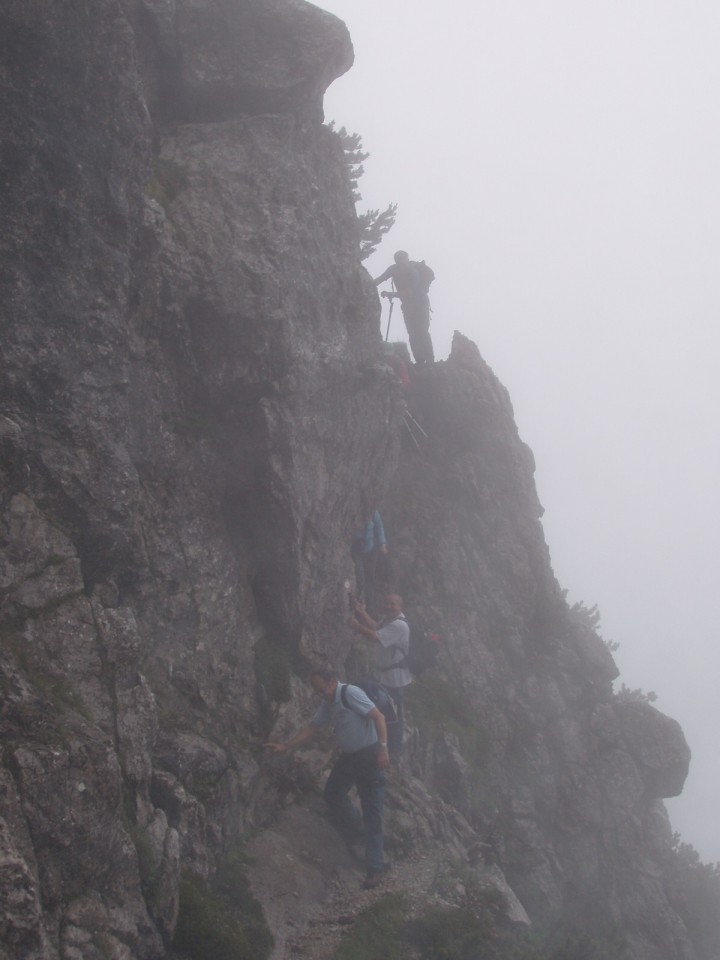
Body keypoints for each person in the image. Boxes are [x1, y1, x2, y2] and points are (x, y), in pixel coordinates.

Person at [264, 665, 389, 889]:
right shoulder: (328, 702)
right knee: (333, 792)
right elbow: (313, 727)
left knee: (373, 810)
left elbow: (378, 717)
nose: (320, 694)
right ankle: (359, 830)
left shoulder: (350, 693)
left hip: (369, 756)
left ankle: (375, 868)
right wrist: (287, 746)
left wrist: (383, 749)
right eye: (316, 690)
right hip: (350, 757)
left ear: (332, 682)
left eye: (321, 689)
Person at [348, 593, 411, 760]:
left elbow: (375, 637)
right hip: (382, 674)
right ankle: (375, 739)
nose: (389, 607)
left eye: (393, 604)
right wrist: (361, 613)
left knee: (395, 713)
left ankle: (394, 750)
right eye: (387, 603)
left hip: (394, 678)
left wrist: (355, 626)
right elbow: (376, 627)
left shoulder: (399, 626)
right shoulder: (389, 620)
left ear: (400, 606)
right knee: (379, 705)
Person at [375, 250, 435, 366]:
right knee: (413, 333)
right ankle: (420, 361)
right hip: (409, 306)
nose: (403, 263)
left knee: (421, 331)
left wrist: (391, 294)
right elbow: (380, 279)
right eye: (401, 261)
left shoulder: (413, 272)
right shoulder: (393, 269)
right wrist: (367, 283)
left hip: (420, 304)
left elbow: (409, 293)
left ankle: (430, 361)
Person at [350, 509, 388, 618]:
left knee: (370, 580)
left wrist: (382, 543)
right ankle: (360, 608)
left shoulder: (373, 512)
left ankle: (369, 610)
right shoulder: (354, 510)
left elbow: (379, 526)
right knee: (360, 578)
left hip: (371, 550)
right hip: (357, 551)